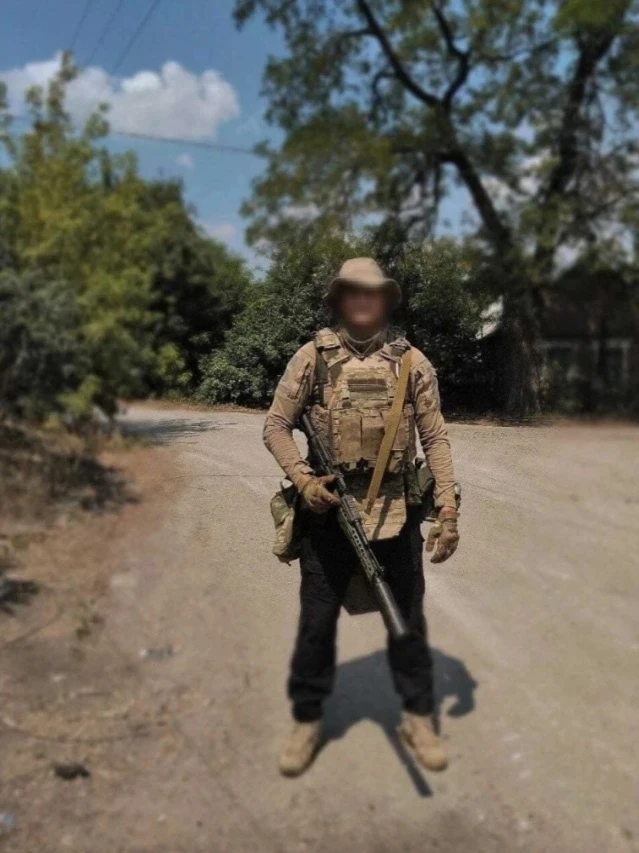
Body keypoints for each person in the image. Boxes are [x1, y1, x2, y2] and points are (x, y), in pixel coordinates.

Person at [263, 257, 459, 777]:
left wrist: (448, 509)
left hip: (397, 512)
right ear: (340, 299)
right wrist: (305, 481)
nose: (364, 299)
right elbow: (277, 425)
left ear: (386, 299)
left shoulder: (412, 363)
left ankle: (418, 717)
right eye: (354, 290)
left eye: (373, 291)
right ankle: (307, 719)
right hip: (329, 513)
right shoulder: (312, 357)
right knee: (316, 624)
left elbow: (435, 437)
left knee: (408, 620)